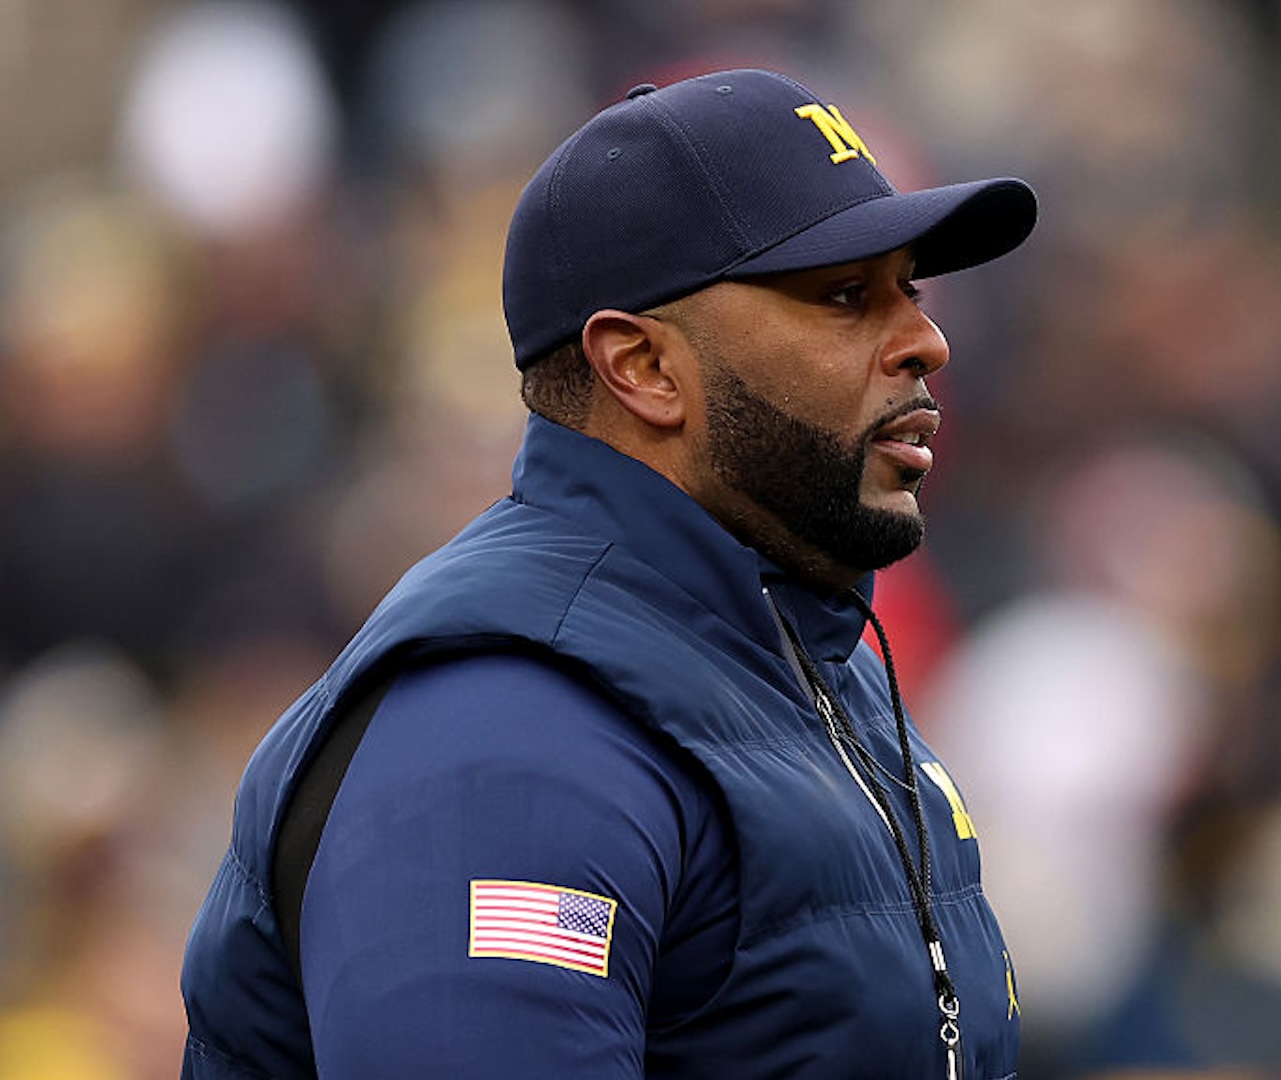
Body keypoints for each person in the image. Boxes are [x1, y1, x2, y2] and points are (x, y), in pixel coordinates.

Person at [179, 68, 1037, 1078]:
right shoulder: (502, 734)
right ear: (643, 368)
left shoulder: (809, 664)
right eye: (847, 296)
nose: (924, 341)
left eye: (912, 289)